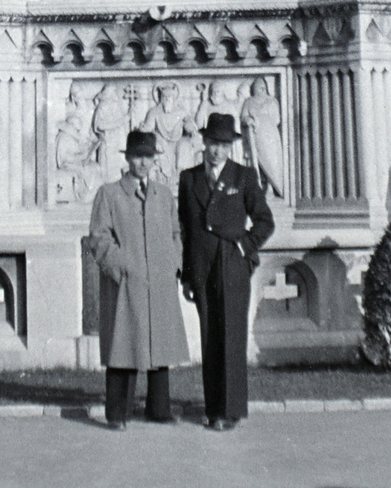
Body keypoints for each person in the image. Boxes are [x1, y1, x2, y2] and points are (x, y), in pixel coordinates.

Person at [178, 112, 275, 430]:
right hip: (203, 268)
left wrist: (245, 249)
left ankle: (231, 410)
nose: (217, 150)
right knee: (210, 338)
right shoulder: (189, 179)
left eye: (222, 144)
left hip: (232, 264)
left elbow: (264, 221)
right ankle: (213, 408)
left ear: (230, 146)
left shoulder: (244, 176)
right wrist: (189, 276)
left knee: (232, 335)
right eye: (212, 143)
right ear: (204, 143)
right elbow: (187, 230)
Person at [86, 129, 189, 430]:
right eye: (138, 157)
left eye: (148, 157)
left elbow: (175, 233)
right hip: (126, 282)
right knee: (123, 346)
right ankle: (117, 414)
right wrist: (122, 267)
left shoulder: (163, 195)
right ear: (128, 158)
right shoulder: (109, 194)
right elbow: (99, 238)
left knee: (159, 345)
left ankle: (159, 409)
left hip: (158, 281)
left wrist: (173, 264)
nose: (143, 163)